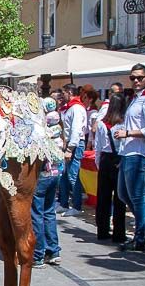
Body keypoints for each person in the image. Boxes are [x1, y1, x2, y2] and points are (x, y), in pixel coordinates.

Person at [112, 64, 145, 251]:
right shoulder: (134, 99)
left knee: (137, 196)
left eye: (140, 77)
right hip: (127, 152)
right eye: (133, 78)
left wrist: (128, 133)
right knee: (124, 194)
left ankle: (141, 236)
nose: (136, 81)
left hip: (139, 153)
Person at [32, 100, 63, 267]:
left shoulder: (40, 128)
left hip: (43, 173)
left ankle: (38, 254)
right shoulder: (56, 129)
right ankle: (53, 251)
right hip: (55, 172)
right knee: (49, 211)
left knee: (36, 213)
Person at [94, 91, 128, 244]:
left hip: (105, 160)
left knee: (103, 197)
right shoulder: (124, 124)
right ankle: (119, 233)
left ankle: (102, 230)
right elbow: (124, 145)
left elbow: (98, 146)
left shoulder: (101, 123)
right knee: (119, 198)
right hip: (119, 160)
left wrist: (98, 163)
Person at [57, 85, 92, 215]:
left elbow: (76, 130)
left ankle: (76, 206)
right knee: (65, 176)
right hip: (69, 144)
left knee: (73, 175)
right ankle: (64, 203)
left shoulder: (76, 108)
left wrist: (70, 148)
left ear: (70, 92)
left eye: (64, 92)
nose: (62, 95)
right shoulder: (70, 108)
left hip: (75, 144)